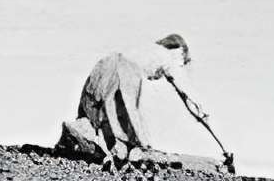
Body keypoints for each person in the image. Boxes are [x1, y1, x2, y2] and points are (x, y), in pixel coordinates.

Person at [55, 34, 234, 172]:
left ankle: (76, 137)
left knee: (100, 118)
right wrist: (204, 117)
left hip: (103, 66)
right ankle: (123, 154)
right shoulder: (171, 56)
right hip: (125, 70)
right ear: (179, 51)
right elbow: (186, 95)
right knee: (135, 141)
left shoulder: (146, 51)